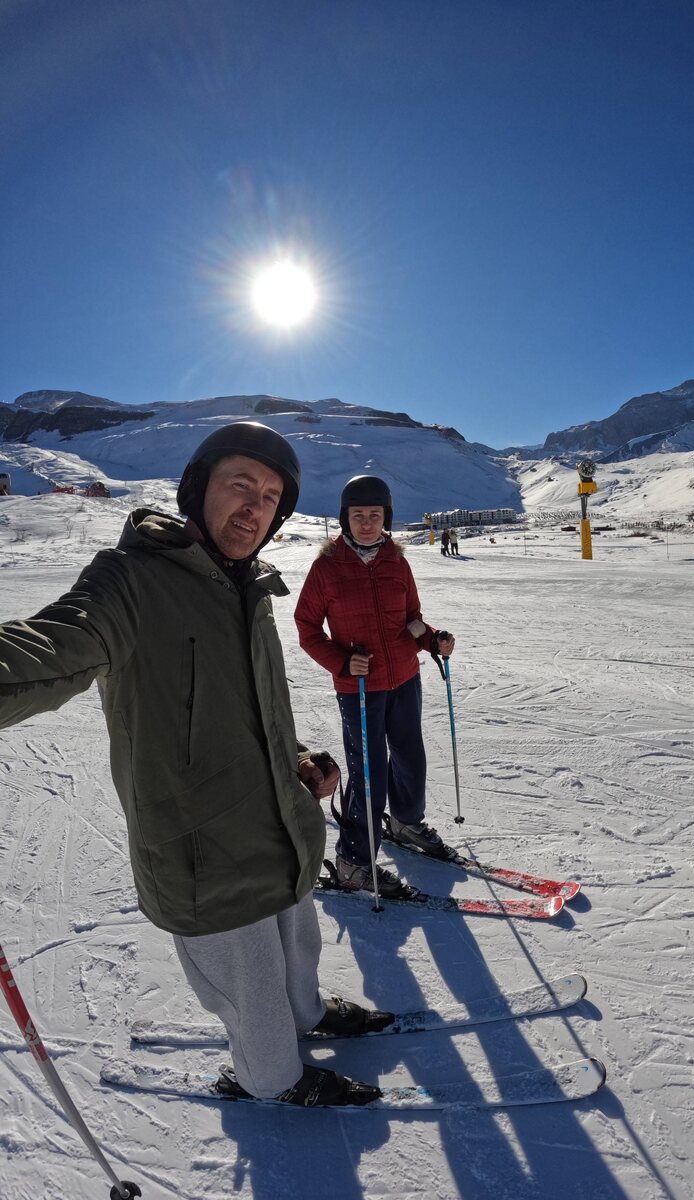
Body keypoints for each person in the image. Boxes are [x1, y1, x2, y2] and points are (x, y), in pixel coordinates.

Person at [0, 422, 389, 1107]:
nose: (254, 506)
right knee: (250, 987)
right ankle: (272, 1079)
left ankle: (308, 1013)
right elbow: (51, 647)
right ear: (197, 487)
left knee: (297, 941)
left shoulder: (251, 586)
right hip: (204, 845)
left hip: (278, 820)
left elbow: (249, 702)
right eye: (241, 484)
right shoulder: (131, 580)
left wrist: (297, 759)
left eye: (270, 497)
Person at [294, 475, 455, 898]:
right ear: (345, 518)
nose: (367, 523)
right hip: (359, 688)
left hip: (404, 677)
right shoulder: (327, 568)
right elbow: (307, 627)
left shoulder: (397, 563)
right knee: (370, 774)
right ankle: (353, 861)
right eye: (358, 515)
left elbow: (412, 619)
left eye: (375, 515)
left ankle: (405, 822)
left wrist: (432, 640)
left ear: (387, 518)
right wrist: (342, 662)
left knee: (410, 757)